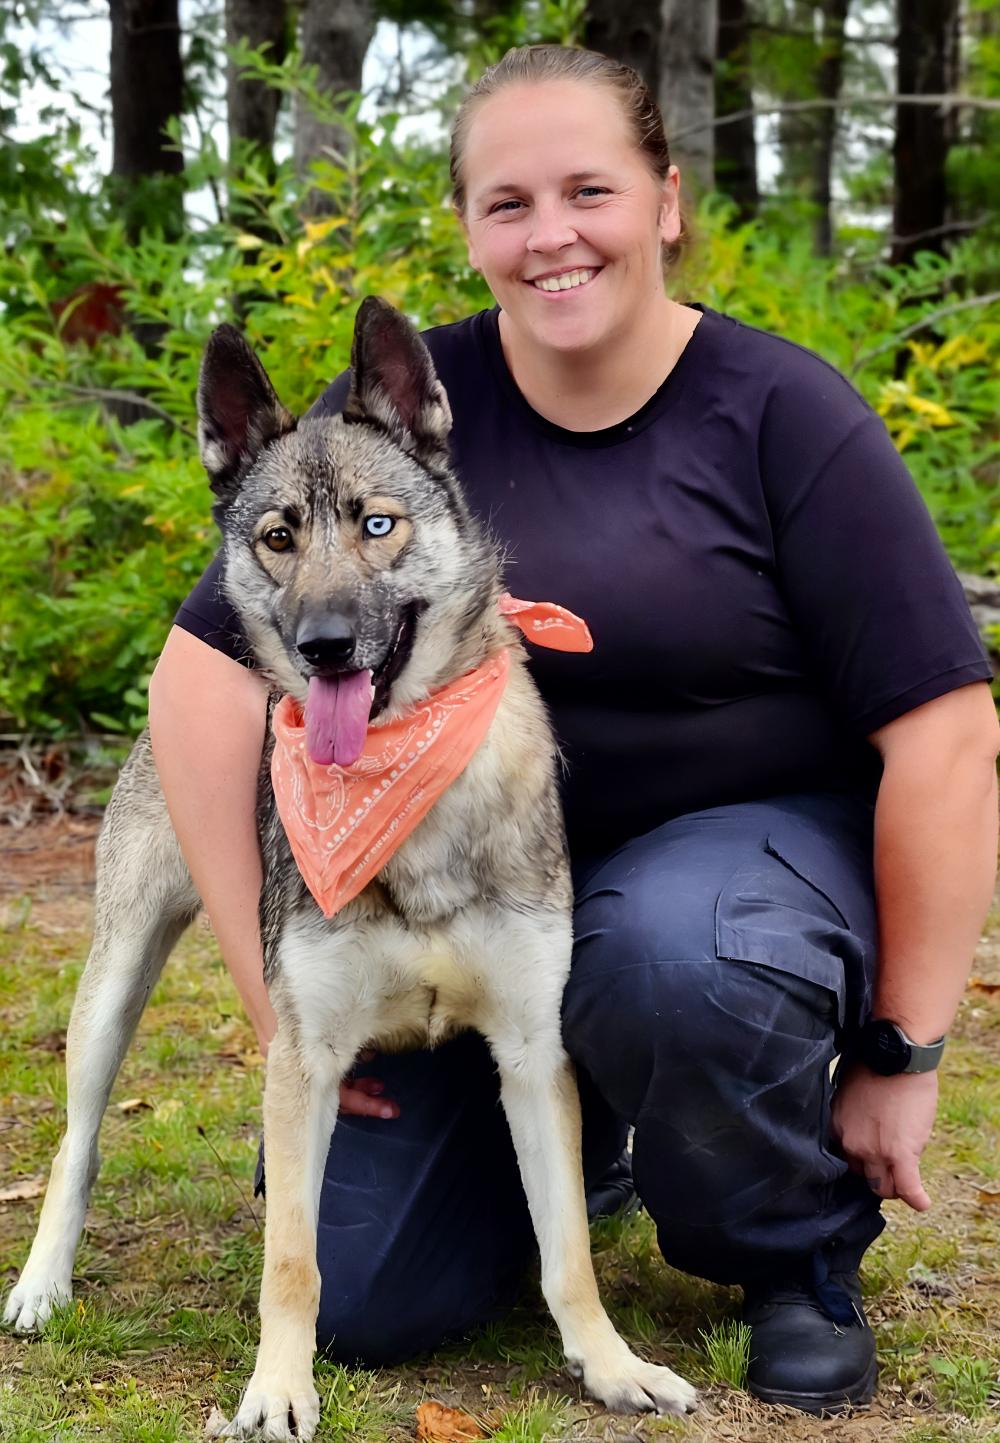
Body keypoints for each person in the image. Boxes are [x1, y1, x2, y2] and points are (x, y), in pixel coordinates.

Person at [148, 45, 999, 1416]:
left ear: (665, 199)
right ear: (472, 229)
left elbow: (951, 742)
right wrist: (271, 994)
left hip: (742, 871)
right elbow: (202, 678)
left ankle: (788, 1254)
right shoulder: (398, 416)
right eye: (507, 202)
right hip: (474, 873)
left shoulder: (787, 416)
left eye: (589, 189)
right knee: (373, 1298)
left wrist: (904, 1052)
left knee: (667, 954)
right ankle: (584, 1136)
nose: (551, 235)